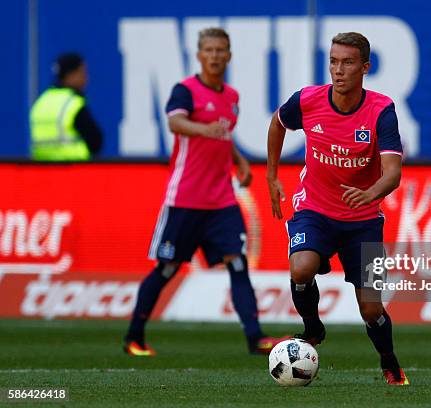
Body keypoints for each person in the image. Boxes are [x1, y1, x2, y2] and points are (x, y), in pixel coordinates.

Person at [124, 28, 287, 356]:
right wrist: (204, 129)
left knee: (238, 264)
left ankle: (255, 337)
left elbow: (223, 137)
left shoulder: (232, 98)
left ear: (229, 55)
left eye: (221, 50)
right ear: (198, 55)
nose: (214, 56)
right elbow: (176, 124)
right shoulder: (185, 91)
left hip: (221, 201)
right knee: (167, 268)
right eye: (209, 50)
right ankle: (134, 337)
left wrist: (239, 160)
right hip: (184, 199)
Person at [266, 32, 409, 385]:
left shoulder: (381, 111)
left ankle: (389, 362)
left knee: (372, 308)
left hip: (364, 221)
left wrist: (370, 193)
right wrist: (271, 175)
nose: (338, 69)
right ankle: (312, 329)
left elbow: (393, 173)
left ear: (365, 67)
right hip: (314, 209)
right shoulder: (308, 100)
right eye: (333, 61)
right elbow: (278, 123)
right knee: (301, 268)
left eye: (347, 62)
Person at [30, 53, 103, 161]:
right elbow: (96, 141)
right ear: (71, 74)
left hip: (42, 171)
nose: (86, 79)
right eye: (82, 73)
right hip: (73, 170)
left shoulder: (41, 102)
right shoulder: (73, 104)